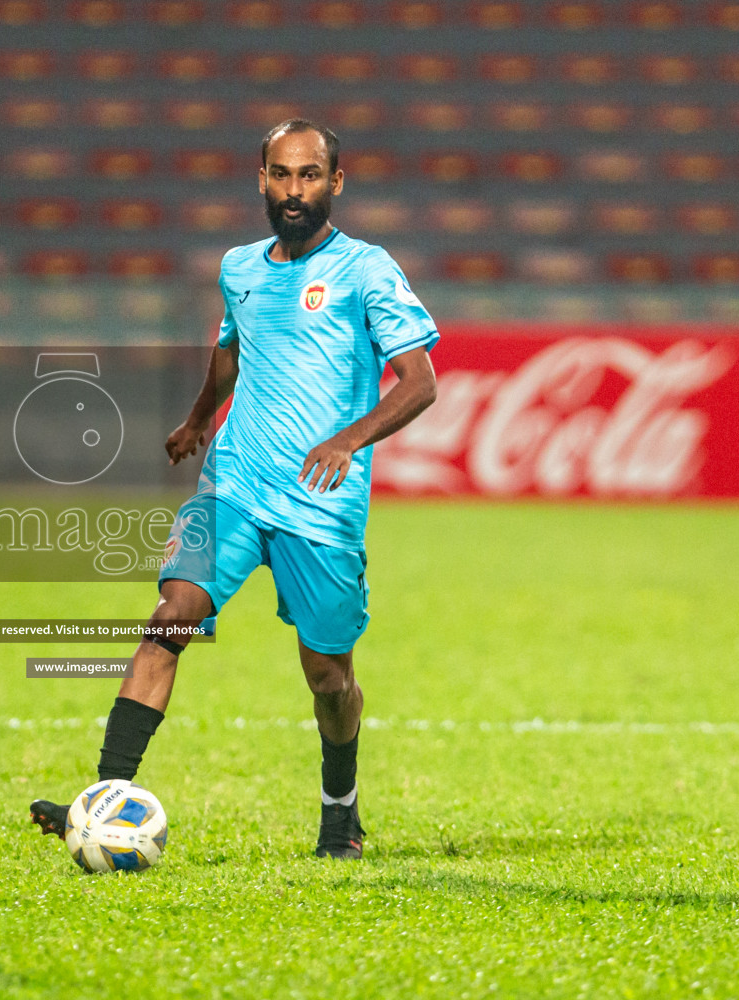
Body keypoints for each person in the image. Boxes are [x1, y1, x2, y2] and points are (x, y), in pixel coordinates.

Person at [28, 119, 440, 860]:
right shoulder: (240, 267)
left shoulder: (367, 270)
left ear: (335, 183)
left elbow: (421, 384)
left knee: (328, 675)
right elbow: (230, 352)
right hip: (235, 484)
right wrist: (196, 421)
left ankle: (339, 810)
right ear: (261, 179)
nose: (294, 190)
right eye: (281, 174)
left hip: (320, 500)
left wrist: (348, 439)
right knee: (172, 616)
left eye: (310, 175)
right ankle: (101, 800)